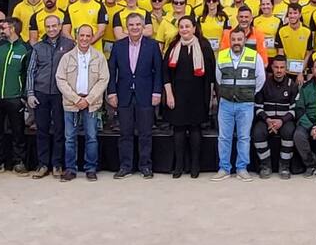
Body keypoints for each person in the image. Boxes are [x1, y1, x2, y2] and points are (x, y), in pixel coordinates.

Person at [107, 13, 164, 178]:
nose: (134, 28)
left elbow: (158, 71)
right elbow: (112, 71)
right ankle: (125, 166)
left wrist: (157, 92)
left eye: (138, 24)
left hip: (145, 94)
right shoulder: (118, 46)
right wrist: (111, 92)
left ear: (143, 26)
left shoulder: (152, 45)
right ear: (126, 27)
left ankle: (145, 166)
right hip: (123, 94)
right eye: (131, 25)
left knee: (145, 133)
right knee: (125, 133)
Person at [164, 16, 216, 179]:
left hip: (198, 95)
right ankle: (179, 165)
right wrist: (169, 94)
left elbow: (211, 74)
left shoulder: (204, 46)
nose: (184, 29)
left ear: (194, 28)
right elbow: (165, 73)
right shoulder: (173, 46)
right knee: (178, 130)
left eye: (188, 26)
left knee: (195, 130)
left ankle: (195, 165)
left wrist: (211, 96)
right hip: (177, 95)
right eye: (181, 27)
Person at [56, 24, 110, 181]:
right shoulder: (67, 57)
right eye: (82, 35)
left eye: (88, 36)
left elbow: (103, 79)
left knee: (92, 136)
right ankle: (70, 169)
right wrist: (76, 99)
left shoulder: (99, 57)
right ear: (77, 36)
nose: (85, 39)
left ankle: (91, 168)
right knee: (70, 138)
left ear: (92, 37)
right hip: (71, 103)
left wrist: (88, 99)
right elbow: (60, 79)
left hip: (91, 103)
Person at [213, 28, 266, 180]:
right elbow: (219, 78)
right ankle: (224, 168)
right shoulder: (222, 56)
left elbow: (260, 79)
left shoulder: (254, 56)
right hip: (226, 103)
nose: (236, 42)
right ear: (230, 41)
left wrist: (248, 93)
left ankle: (242, 168)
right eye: (234, 39)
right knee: (224, 137)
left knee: (244, 137)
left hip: (246, 104)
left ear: (244, 40)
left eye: (239, 39)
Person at [27, 14, 73, 178]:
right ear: (44, 28)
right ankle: (43, 164)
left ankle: (57, 164)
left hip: (61, 94)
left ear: (60, 26)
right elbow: (31, 71)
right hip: (41, 93)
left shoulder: (69, 45)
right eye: (48, 26)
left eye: (54, 26)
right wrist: (30, 93)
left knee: (60, 130)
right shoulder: (38, 47)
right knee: (42, 130)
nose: (52, 29)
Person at [0, 17, 30, 174]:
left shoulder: (25, 49)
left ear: (12, 29)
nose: (0, 29)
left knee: (18, 131)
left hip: (14, 97)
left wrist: (23, 95)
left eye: (3, 27)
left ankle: (19, 161)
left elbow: (27, 74)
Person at [252, 55, 301, 179]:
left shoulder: (292, 85)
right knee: (257, 132)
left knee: (289, 132)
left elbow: (295, 109)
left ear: (286, 68)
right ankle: (265, 165)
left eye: (282, 67)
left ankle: (284, 166)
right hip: (266, 120)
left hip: (284, 120)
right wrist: (267, 120)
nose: (279, 70)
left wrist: (281, 121)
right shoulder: (263, 83)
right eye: (276, 67)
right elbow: (257, 107)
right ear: (271, 68)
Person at [277, 3, 313, 81]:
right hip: (286, 71)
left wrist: (301, 72)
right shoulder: (281, 30)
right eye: (290, 13)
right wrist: (283, 70)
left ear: (300, 14)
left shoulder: (307, 31)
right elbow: (280, 52)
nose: (292, 16)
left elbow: (308, 53)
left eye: (295, 13)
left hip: (302, 72)